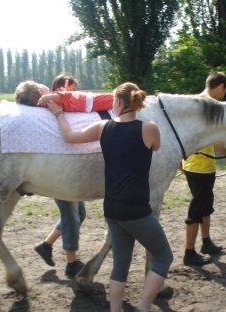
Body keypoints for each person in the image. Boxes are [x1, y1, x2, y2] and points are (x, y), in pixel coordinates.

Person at [43, 82, 173, 312]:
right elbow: (155, 147)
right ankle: (143, 307)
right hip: (137, 210)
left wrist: (58, 113)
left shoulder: (103, 127)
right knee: (164, 256)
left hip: (112, 209)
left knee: (120, 265)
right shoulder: (149, 128)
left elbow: (69, 136)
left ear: (117, 102)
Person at [33, 74, 86, 278]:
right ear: (56, 89)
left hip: (72, 170)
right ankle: (72, 263)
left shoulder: (68, 108)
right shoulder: (51, 108)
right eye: (66, 90)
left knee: (79, 214)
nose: (69, 94)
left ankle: (46, 245)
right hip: (61, 172)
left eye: (72, 90)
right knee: (71, 216)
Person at [181, 71, 226, 267]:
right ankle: (189, 252)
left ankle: (206, 242)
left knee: (205, 204)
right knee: (197, 207)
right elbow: (214, 138)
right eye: (224, 92)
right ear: (221, 87)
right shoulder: (211, 106)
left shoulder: (195, 102)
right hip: (200, 165)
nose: (223, 97)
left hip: (193, 163)